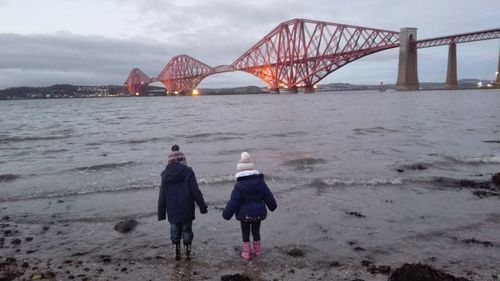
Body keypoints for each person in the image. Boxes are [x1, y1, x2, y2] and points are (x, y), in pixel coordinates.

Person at [222, 152, 277, 261]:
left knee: (245, 232)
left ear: (240, 171)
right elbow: (268, 196)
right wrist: (272, 206)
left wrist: (226, 214)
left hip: (244, 215)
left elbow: (234, 202)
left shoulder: (239, 186)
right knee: (256, 231)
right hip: (258, 213)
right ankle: (257, 251)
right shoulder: (260, 182)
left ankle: (247, 253)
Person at [158, 144, 208, 260]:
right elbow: (195, 190)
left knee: (174, 231)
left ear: (169, 162)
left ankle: (176, 253)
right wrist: (202, 206)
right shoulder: (188, 172)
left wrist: (161, 213)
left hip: (172, 209)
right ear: (183, 160)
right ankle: (188, 253)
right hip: (187, 208)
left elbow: (162, 195)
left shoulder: (166, 175)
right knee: (187, 230)